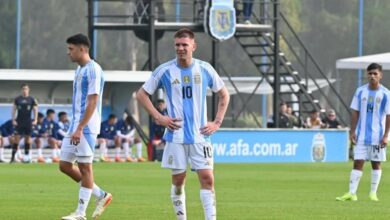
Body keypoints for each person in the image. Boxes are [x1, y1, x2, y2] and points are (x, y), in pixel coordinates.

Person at [136, 28, 230, 220]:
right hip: (175, 136)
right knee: (179, 181)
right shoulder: (164, 71)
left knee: (207, 178)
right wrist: (159, 117)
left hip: (200, 136)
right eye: (177, 45)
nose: (181, 48)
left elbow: (224, 94)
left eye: (184, 45)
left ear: (193, 46)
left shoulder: (205, 69)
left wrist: (217, 122)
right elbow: (141, 94)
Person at [59, 33, 112, 220]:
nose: (68, 53)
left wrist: (81, 127)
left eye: (71, 49)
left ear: (83, 49)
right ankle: (101, 195)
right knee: (65, 165)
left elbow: (92, 101)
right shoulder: (79, 70)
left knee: (85, 167)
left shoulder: (93, 70)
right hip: (75, 125)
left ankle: (80, 213)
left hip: (86, 126)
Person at [336, 63, 390, 202]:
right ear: (367, 75)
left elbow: (389, 116)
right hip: (361, 136)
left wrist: (385, 136)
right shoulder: (360, 91)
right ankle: (351, 193)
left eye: (375, 74)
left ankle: (373, 193)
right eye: (370, 73)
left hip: (377, 137)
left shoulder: (386, 94)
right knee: (357, 162)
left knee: (376, 163)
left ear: (380, 75)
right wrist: (352, 131)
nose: (372, 76)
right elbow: (355, 112)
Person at [10, 83, 38, 163]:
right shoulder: (17, 99)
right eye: (23, 89)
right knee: (16, 140)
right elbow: (14, 109)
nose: (24, 90)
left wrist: (35, 119)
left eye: (26, 89)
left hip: (28, 122)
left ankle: (26, 158)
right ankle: (12, 158)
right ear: (21, 90)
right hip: (19, 122)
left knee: (28, 140)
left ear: (28, 90)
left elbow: (35, 109)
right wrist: (13, 119)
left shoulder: (32, 99)